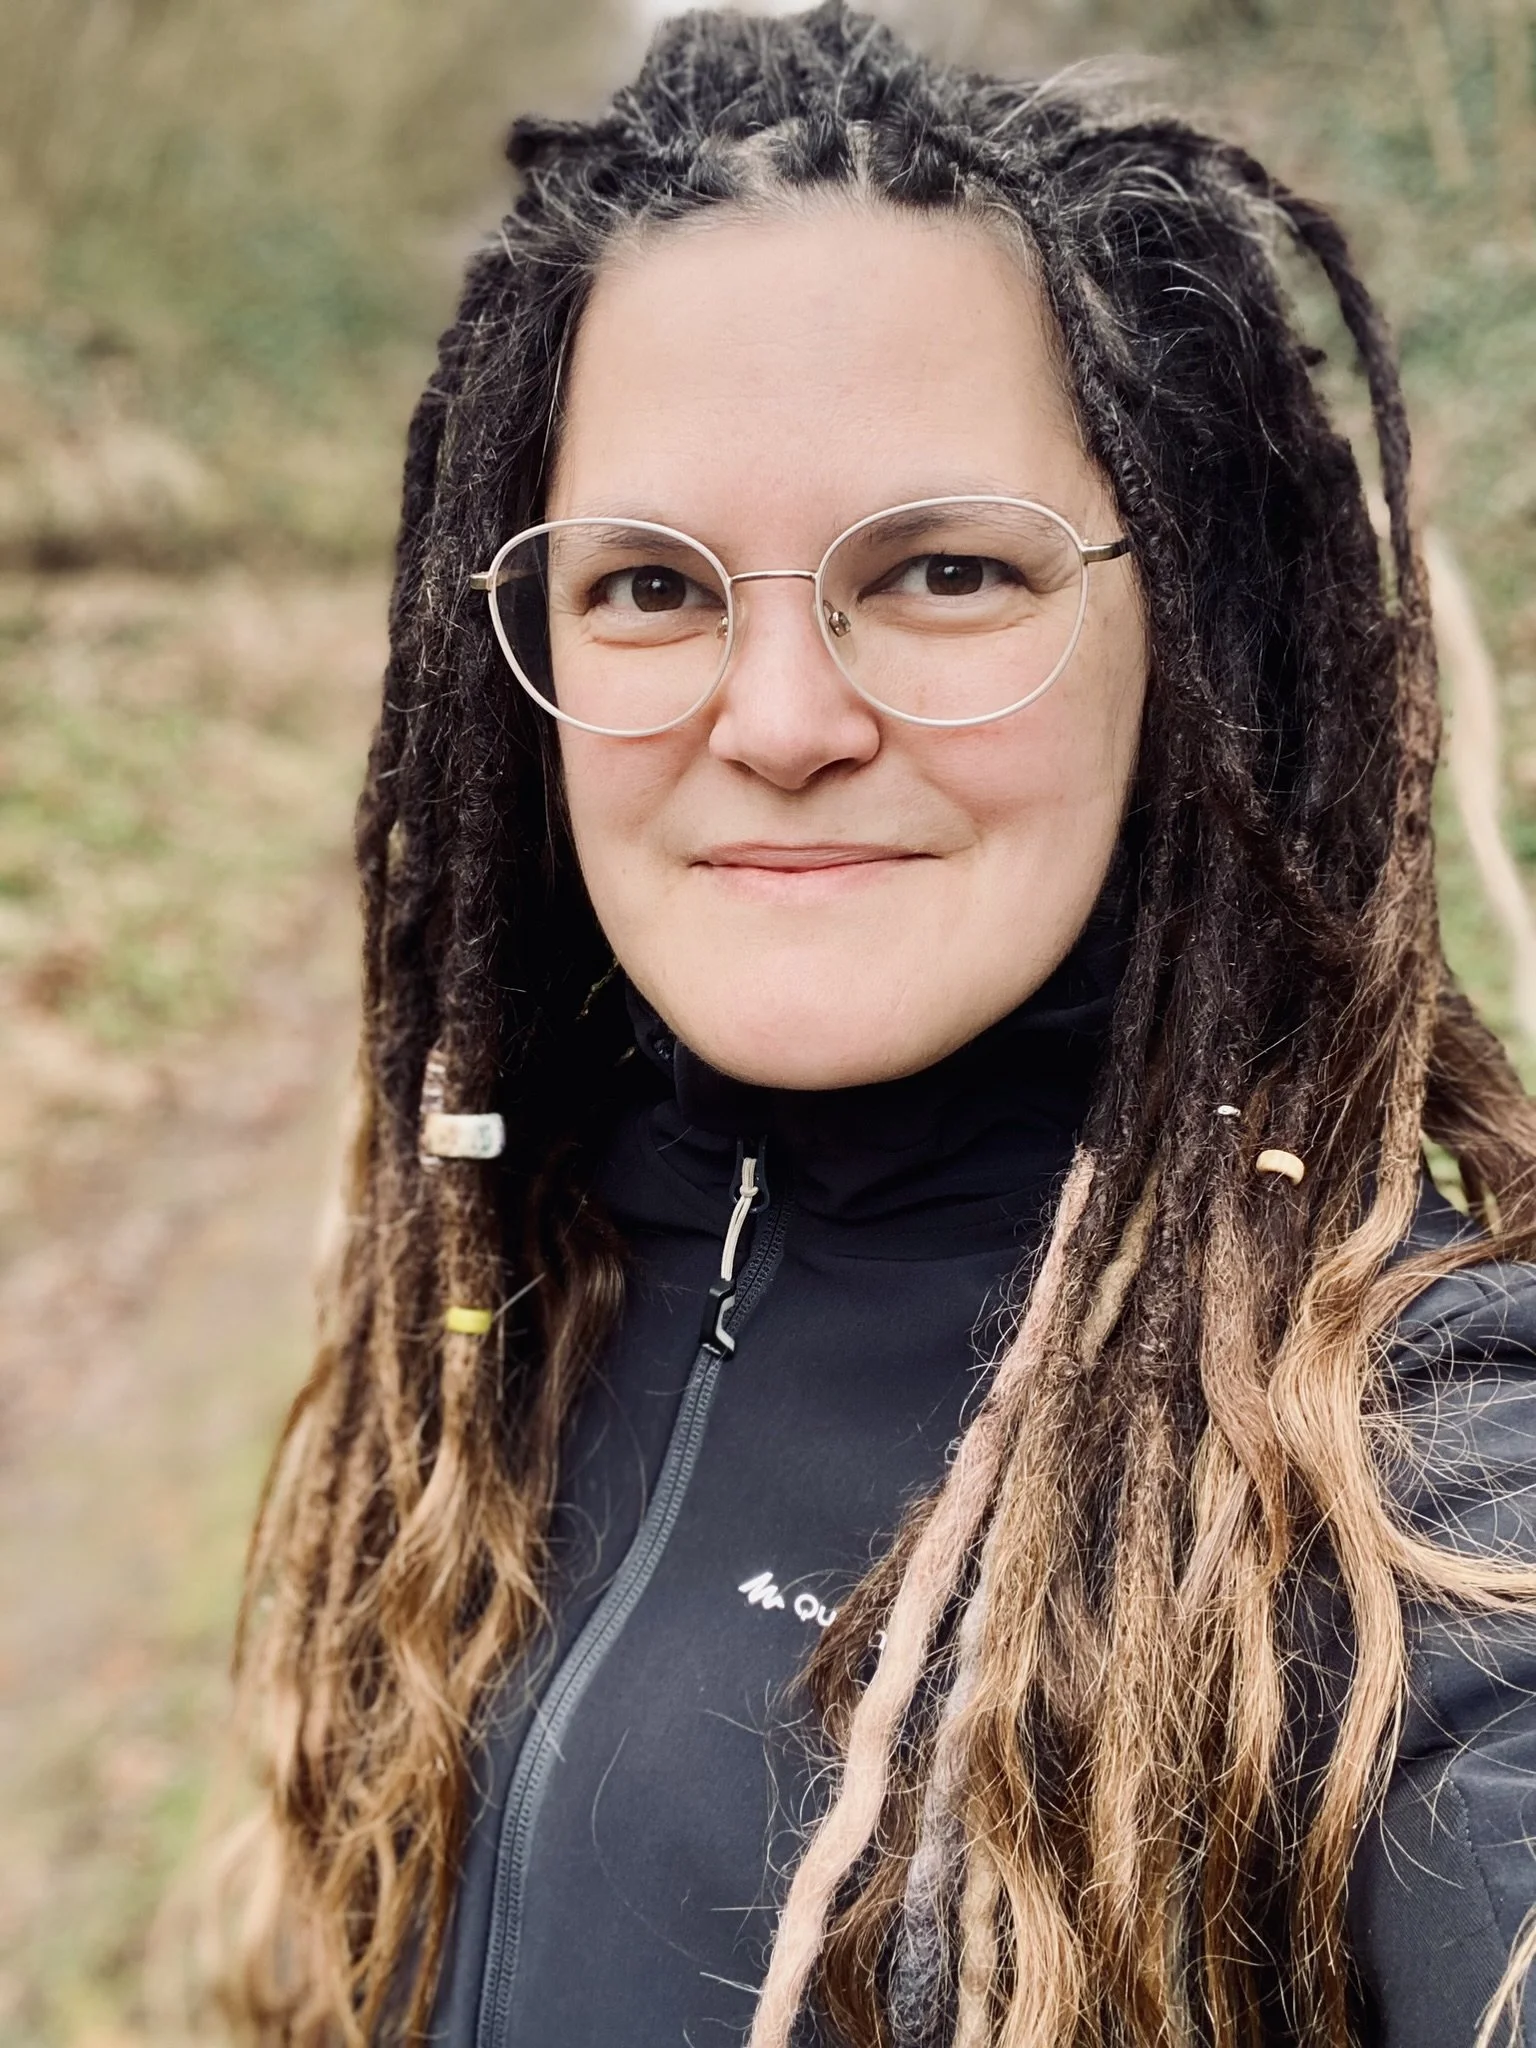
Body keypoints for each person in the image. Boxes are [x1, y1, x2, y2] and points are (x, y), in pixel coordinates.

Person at [215, 6, 1536, 2045]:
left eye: (938, 570)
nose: (782, 722)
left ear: (1191, 629)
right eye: (648, 588)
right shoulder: (507, 1297)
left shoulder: (1410, 1483)